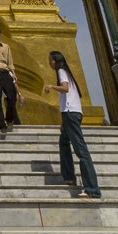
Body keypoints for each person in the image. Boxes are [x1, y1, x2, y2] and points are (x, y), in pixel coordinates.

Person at [45, 51, 101, 198]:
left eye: (50, 60)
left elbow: (65, 88)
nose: (49, 63)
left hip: (70, 113)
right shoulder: (68, 73)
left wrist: (51, 86)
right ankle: (69, 176)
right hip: (73, 113)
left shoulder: (61, 71)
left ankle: (92, 189)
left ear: (55, 61)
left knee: (81, 150)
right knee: (63, 142)